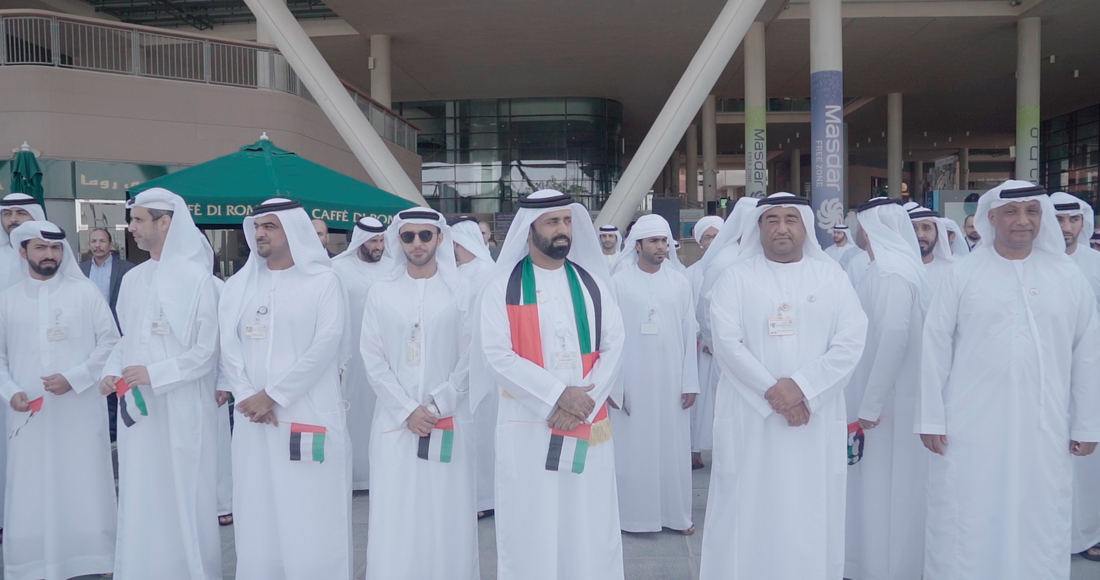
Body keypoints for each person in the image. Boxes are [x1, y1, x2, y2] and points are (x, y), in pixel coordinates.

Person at [918, 180, 1100, 580]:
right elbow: (935, 347)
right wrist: (930, 417)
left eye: (1032, 211)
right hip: (969, 425)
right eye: (1012, 212)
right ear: (991, 217)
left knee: (1040, 514)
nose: (1023, 221)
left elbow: (1087, 353)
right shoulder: (963, 273)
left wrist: (1088, 423)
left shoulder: (1066, 275)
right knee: (968, 514)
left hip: (1045, 426)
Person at [699, 192, 867, 580]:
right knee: (747, 508)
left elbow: (851, 341)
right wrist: (776, 395)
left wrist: (803, 389)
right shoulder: (735, 278)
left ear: (804, 226)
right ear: (758, 227)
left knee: (809, 509)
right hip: (751, 417)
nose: (781, 228)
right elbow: (727, 344)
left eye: (791, 219)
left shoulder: (832, 278)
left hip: (813, 419)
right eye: (772, 220)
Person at [476, 189, 626, 580]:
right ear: (529, 229)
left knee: (588, 522)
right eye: (552, 222)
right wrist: (559, 396)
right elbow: (497, 356)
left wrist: (581, 404)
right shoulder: (502, 287)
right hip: (530, 427)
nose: (563, 230)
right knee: (531, 524)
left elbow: (614, 346)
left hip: (586, 424)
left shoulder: (592, 284)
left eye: (567, 221)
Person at [217, 198, 350, 580]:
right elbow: (228, 346)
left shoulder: (323, 282)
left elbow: (326, 345)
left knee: (309, 508)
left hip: (305, 412)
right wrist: (248, 396)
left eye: (270, 226)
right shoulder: (239, 285)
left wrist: (272, 396)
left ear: (293, 230)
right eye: (257, 227)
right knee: (256, 507)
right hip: (253, 420)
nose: (260, 233)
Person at [100, 188, 222, 580]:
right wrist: (111, 370)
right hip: (139, 409)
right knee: (141, 491)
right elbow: (126, 339)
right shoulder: (133, 279)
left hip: (183, 405)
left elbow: (207, 350)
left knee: (185, 491)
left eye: (138, 220)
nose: (131, 228)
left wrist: (156, 373)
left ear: (165, 222)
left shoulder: (200, 281)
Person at [359, 208, 479, 579]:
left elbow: (472, 354)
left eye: (425, 235)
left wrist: (440, 403)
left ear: (440, 238)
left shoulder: (461, 291)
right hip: (396, 422)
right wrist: (408, 409)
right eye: (408, 236)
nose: (417, 243)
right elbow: (372, 358)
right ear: (399, 240)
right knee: (396, 513)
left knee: (446, 510)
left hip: (447, 418)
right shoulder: (381, 292)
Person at [0, 221, 120, 580]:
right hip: (28, 416)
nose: (49, 254)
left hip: (78, 410)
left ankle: (90, 558)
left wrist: (75, 377)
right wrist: (10, 392)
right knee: (31, 485)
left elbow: (111, 342)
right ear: (23, 252)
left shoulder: (84, 293)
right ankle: (32, 562)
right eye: (40, 248)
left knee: (82, 481)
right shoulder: (7, 299)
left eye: (55, 248)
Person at [844, 198, 930, 580]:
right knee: (875, 486)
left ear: (869, 228)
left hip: (886, 407)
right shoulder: (884, 268)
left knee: (883, 486)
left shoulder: (892, 272)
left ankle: (883, 568)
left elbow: (894, 336)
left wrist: (871, 404)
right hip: (881, 400)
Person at [609, 214, 698, 534]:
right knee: (633, 448)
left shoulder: (680, 282)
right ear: (637, 246)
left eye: (664, 241)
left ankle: (676, 516)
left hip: (672, 380)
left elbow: (689, 333)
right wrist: (614, 385)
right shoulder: (618, 283)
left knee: (672, 448)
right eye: (654, 241)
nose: (661, 246)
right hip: (631, 380)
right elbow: (609, 338)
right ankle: (632, 517)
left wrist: (690, 382)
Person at [1050, 191, 1100, 562]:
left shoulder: (1095, 263)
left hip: (1088, 373)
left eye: (1073, 219)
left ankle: (1086, 533)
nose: (1066, 228)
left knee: (1085, 460)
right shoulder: (1033, 263)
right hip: (1043, 375)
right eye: (1058, 220)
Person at [332, 216, 393, 493]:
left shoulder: (394, 267)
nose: (378, 246)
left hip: (387, 355)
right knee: (353, 411)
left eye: (381, 240)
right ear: (359, 241)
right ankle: (356, 475)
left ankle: (384, 472)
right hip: (352, 358)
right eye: (373, 241)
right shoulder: (338, 269)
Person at [0, 192, 46, 537]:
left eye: (21, 213)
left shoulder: (48, 262)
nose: (13, 219)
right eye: (7, 213)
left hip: (38, 375)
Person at [451, 216, 499, 517]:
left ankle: (484, 499)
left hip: (483, 365)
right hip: (457, 364)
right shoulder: (455, 273)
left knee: (483, 431)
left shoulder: (488, 273)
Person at [686, 214, 723, 470]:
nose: (712, 242)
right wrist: (703, 338)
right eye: (707, 237)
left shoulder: (734, 265)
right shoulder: (691, 273)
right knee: (698, 403)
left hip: (727, 349)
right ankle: (694, 451)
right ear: (700, 242)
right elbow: (690, 311)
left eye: (716, 236)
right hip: (701, 349)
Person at [79, 227, 136, 327]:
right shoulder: (81, 269)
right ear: (89, 245)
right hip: (88, 323)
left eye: (102, 241)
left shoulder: (126, 269)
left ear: (110, 244)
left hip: (116, 323)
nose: (97, 245)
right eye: (93, 241)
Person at [908, 205, 956, 290]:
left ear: (938, 234)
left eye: (926, 228)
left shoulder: (951, 269)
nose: (920, 235)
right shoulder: (896, 268)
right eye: (914, 229)